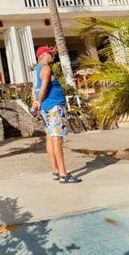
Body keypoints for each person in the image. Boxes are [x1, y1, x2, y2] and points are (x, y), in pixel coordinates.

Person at [32, 46, 81, 184]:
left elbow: (33, 89)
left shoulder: (36, 70)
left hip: (47, 109)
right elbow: (43, 88)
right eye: (50, 54)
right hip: (54, 107)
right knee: (57, 139)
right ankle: (63, 174)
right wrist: (39, 102)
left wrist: (36, 103)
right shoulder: (45, 68)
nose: (52, 56)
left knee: (50, 138)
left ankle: (55, 170)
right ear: (43, 55)